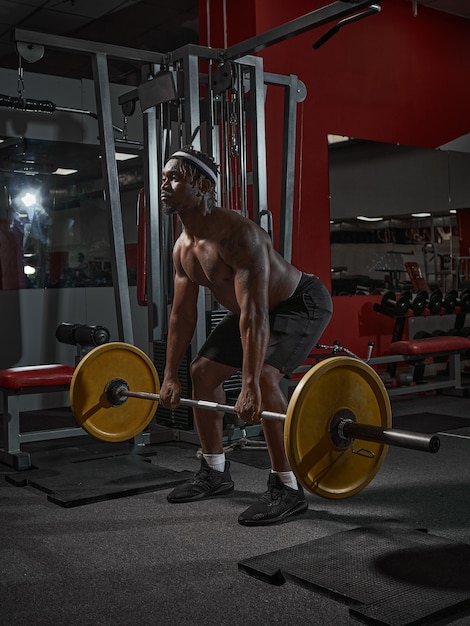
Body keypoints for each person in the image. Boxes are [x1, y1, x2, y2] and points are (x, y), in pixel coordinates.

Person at [159, 146, 333, 526]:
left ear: (203, 185)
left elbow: (254, 315)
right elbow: (182, 314)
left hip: (298, 303)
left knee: (268, 379)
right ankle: (215, 471)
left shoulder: (238, 235)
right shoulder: (183, 249)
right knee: (202, 373)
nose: (164, 185)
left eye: (174, 178)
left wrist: (250, 383)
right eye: (164, 177)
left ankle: (287, 487)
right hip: (253, 312)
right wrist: (170, 374)